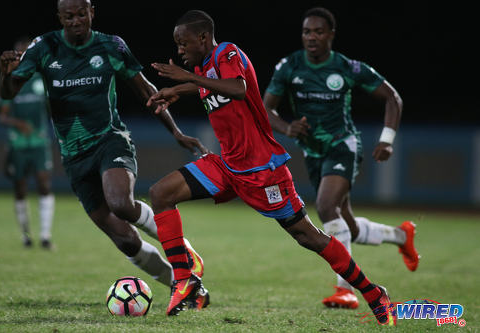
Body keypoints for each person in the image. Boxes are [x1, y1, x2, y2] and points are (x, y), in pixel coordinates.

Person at [147, 9, 396, 325]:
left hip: (263, 170)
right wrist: (176, 91)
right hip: (228, 165)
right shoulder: (204, 67)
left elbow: (237, 88)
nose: (179, 50)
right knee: (161, 194)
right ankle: (184, 280)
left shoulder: (228, 52)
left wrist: (189, 79)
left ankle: (374, 292)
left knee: (309, 237)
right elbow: (208, 86)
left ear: (203, 37)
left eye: (183, 43)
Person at [0, 0, 209, 306]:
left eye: (81, 14)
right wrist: (5, 75)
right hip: (74, 157)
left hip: (111, 140)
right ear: (59, 17)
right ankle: (187, 287)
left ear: (91, 13)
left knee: (120, 203)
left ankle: (182, 250)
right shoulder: (44, 47)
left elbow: (145, 89)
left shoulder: (111, 46)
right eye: (68, 16)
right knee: (125, 240)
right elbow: (9, 92)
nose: (75, 21)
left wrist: (175, 132)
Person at [263, 7, 419, 309]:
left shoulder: (348, 68)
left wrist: (386, 141)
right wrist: (287, 127)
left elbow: (392, 98)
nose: (312, 37)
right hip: (313, 151)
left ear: (331, 35)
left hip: (343, 146)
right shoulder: (289, 66)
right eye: (307, 31)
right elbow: (266, 109)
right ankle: (401, 235)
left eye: (318, 31)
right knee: (347, 225)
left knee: (325, 206)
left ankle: (344, 290)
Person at [0, 36, 55, 249]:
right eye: (19, 54)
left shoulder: (40, 79)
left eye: (26, 52)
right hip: (18, 144)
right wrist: (18, 123)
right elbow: (2, 115)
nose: (22, 57)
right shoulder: (8, 80)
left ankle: (46, 236)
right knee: (20, 188)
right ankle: (26, 235)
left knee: (44, 184)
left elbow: (55, 105)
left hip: (39, 142)